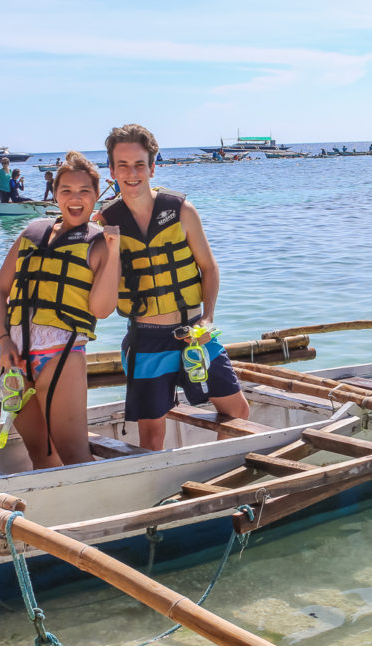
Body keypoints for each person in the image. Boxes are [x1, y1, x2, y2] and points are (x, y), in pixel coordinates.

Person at [95, 123, 249, 451]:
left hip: (194, 334)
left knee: (237, 412)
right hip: (146, 339)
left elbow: (208, 267)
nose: (131, 173)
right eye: (122, 165)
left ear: (153, 167)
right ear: (111, 171)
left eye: (139, 164)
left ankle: (219, 475)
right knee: (152, 436)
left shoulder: (181, 211)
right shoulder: (105, 224)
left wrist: (207, 319)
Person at [0, 151, 121, 468]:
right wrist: (3, 340)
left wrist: (115, 251)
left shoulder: (100, 244)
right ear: (55, 194)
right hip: (16, 357)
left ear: (97, 195)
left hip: (61, 355)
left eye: (84, 191)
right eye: (67, 191)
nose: (75, 199)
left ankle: (100, 513)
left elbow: (102, 310)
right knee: (40, 454)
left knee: (75, 455)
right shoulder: (31, 232)